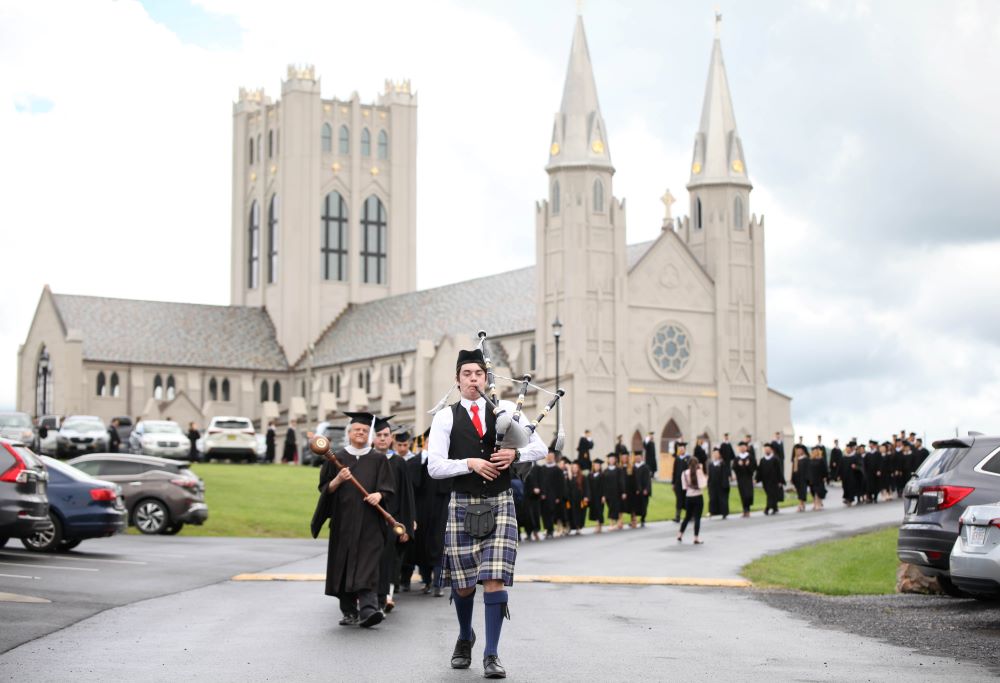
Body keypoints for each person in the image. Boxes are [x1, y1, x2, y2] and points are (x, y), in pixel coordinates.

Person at [426, 347, 547, 679]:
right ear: (457, 380)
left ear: (486, 378)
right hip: (463, 502)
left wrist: (514, 454)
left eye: (478, 374)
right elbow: (434, 466)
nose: (473, 379)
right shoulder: (446, 417)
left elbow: (541, 447)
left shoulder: (506, 409)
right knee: (464, 585)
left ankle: (491, 654)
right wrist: (470, 462)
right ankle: (465, 635)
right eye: (467, 374)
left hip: (500, 501)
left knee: (494, 579)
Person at [311, 411, 395, 628]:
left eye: (365, 431)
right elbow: (324, 489)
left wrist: (380, 494)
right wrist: (338, 479)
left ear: (369, 435)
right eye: (357, 429)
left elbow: (388, 488)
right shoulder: (336, 457)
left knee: (368, 563)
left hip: (370, 523)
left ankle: (368, 610)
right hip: (343, 521)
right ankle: (349, 610)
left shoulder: (378, 459)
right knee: (344, 564)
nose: (361, 433)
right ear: (349, 433)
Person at [375, 417, 415, 614]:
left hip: (393, 519)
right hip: (371, 520)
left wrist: (406, 524)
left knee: (390, 559)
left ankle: (387, 594)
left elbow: (407, 496)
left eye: (386, 435)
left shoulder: (398, 462)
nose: (383, 439)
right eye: (379, 435)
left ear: (391, 438)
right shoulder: (367, 460)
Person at [677, 456, 707, 544]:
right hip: (698, 496)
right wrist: (702, 471)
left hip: (689, 497)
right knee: (697, 518)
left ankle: (680, 534)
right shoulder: (699, 472)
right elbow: (703, 484)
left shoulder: (684, 473)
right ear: (697, 464)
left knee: (687, 517)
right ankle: (696, 537)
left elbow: (684, 487)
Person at [755, 443, 785, 515]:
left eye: (768, 449)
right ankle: (775, 508)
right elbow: (760, 471)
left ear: (771, 450)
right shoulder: (762, 460)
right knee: (770, 494)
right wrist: (756, 479)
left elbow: (779, 470)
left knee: (771, 494)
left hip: (774, 481)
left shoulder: (775, 459)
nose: (766, 451)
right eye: (765, 449)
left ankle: (767, 508)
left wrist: (780, 481)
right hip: (766, 481)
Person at [732, 441, 756, 517]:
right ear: (739, 448)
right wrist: (739, 465)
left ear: (746, 448)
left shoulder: (750, 457)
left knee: (748, 495)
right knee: (742, 495)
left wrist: (748, 465)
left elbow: (754, 467)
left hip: (748, 479)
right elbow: (734, 468)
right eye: (740, 447)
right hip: (741, 479)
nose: (742, 448)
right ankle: (745, 510)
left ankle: (747, 509)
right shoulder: (737, 458)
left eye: (743, 447)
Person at [706, 447, 730, 519]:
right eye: (714, 453)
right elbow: (709, 475)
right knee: (712, 499)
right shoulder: (711, 464)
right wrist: (709, 484)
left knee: (722, 499)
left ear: (719, 455)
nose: (715, 455)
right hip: (713, 485)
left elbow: (725, 475)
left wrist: (725, 485)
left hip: (721, 485)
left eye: (717, 453)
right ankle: (711, 512)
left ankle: (724, 513)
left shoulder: (723, 463)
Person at [603, 453, 623, 530]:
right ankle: (616, 523)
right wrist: (604, 494)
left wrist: (623, 492)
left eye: (613, 459)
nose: (611, 460)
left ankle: (613, 524)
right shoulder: (605, 471)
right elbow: (604, 483)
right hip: (608, 493)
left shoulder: (618, 470)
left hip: (617, 493)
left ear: (615, 460)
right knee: (610, 508)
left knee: (616, 508)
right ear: (608, 460)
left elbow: (621, 481)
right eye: (610, 459)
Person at [671, 441, 690, 523]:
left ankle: (689, 515)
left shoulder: (689, 458)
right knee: (679, 499)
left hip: (686, 483)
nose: (681, 450)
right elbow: (674, 472)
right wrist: (673, 483)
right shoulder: (677, 459)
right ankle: (677, 516)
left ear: (685, 449)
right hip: (678, 483)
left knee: (687, 499)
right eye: (680, 449)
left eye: (682, 449)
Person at [567, 461, 588, 534]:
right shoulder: (570, 477)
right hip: (571, 499)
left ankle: (578, 527)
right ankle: (572, 527)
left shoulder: (582, 477)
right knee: (572, 513)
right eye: (573, 468)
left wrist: (586, 496)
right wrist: (569, 471)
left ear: (578, 468)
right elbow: (568, 486)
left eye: (576, 467)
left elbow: (586, 487)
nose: (574, 469)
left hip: (580, 499)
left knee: (580, 513)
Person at [632, 452, 651, 527]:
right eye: (636, 457)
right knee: (634, 506)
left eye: (639, 457)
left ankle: (643, 520)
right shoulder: (633, 467)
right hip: (635, 491)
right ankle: (634, 520)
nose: (637, 458)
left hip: (643, 490)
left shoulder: (645, 467)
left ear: (642, 458)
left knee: (644, 505)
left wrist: (646, 489)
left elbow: (648, 480)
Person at [587, 458, 605, 533]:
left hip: (600, 496)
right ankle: (599, 524)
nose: (596, 467)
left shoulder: (602, 475)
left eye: (598, 465)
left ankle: (598, 525)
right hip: (593, 496)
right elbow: (588, 486)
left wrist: (604, 496)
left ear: (600, 466)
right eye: (595, 465)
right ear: (593, 466)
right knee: (594, 510)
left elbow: (605, 486)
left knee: (599, 510)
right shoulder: (590, 475)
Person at [808, 446, 828, 511]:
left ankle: (818, 504)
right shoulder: (810, 459)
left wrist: (825, 476)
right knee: (813, 492)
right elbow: (809, 470)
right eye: (813, 451)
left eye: (816, 451)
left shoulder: (821, 459)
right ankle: (815, 503)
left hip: (819, 478)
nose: (814, 452)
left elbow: (824, 469)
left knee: (818, 492)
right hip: (812, 478)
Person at [791, 444, 810, 512]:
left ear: (803, 451)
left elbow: (808, 469)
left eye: (799, 450)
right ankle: (802, 504)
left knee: (802, 491)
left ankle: (801, 504)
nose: (798, 452)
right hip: (797, 478)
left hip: (803, 478)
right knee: (799, 492)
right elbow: (793, 470)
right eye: (797, 451)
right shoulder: (795, 459)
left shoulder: (806, 459)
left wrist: (808, 478)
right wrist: (792, 478)